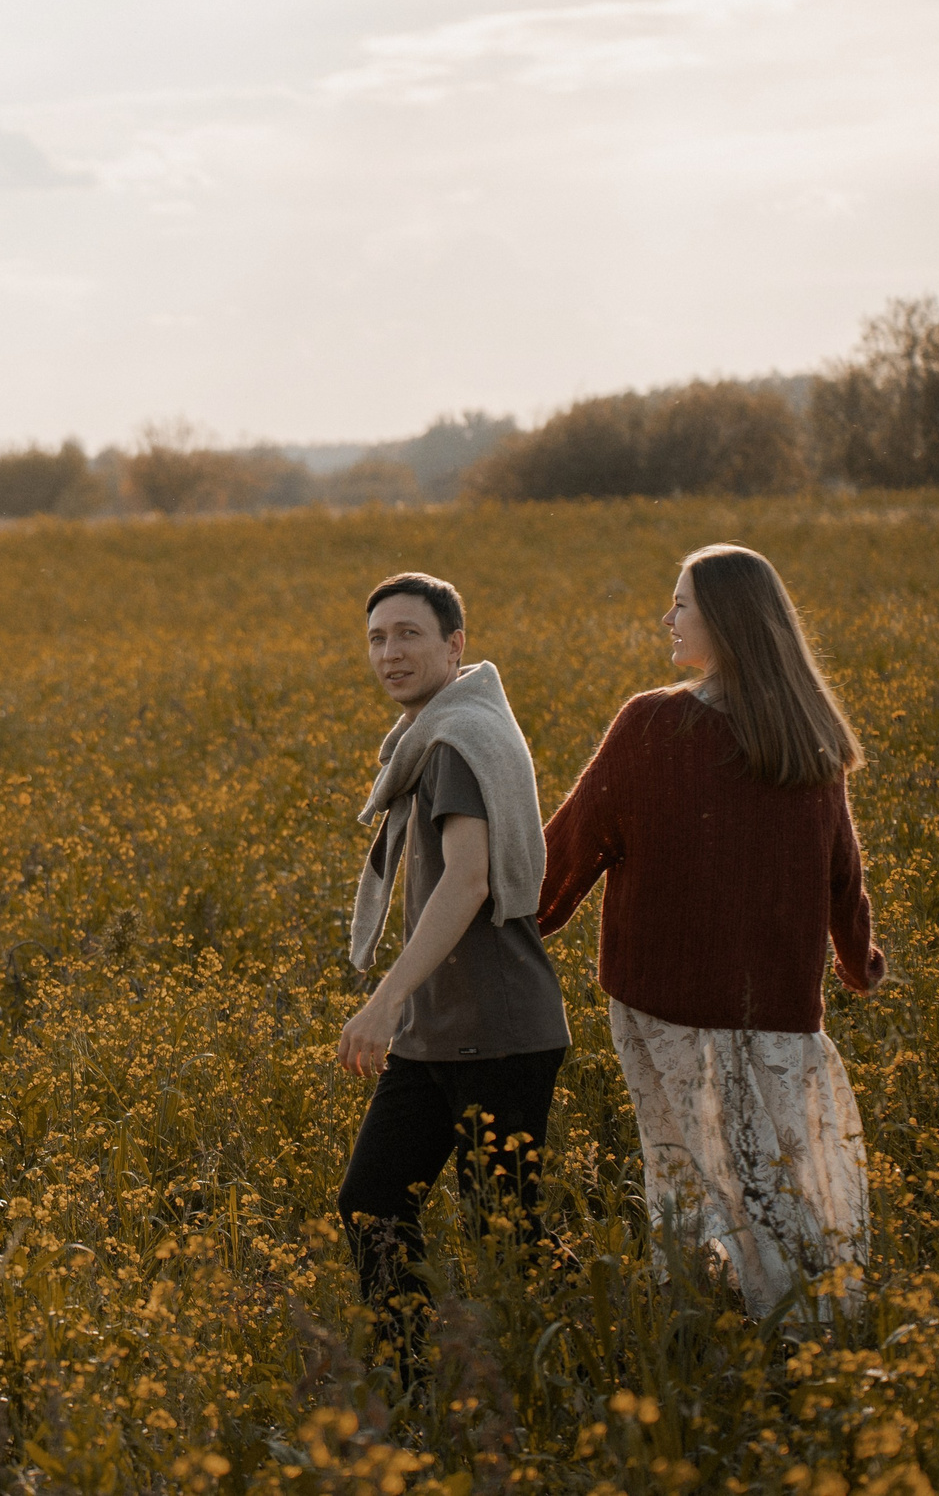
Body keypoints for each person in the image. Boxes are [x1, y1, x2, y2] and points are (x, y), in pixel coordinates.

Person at [537, 543, 889, 1325]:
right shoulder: (808, 733)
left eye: (681, 603)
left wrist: (520, 916)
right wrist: (857, 957)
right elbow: (844, 869)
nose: (667, 618)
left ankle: (718, 1317)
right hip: (779, 1012)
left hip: (662, 1000)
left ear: (724, 621)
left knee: (689, 1166)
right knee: (779, 1171)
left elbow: (574, 844)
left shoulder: (653, 722)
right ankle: (810, 1321)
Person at [335, 572, 569, 1378]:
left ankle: (561, 1379)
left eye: (409, 635)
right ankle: (410, 1379)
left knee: (507, 1234)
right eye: (377, 638)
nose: (390, 653)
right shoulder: (456, 727)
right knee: (373, 1201)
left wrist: (383, 1001)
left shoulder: (456, 743)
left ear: (455, 643)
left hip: (497, 1032)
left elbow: (467, 881)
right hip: (441, 1033)